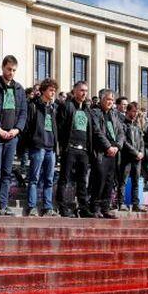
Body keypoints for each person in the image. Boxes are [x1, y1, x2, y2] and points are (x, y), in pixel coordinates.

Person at [0, 55, 26, 216]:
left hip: (12, 137)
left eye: (14, 70)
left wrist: (17, 130)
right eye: (9, 69)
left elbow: (23, 112)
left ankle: (3, 205)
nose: (11, 73)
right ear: (3, 68)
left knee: (7, 172)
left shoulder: (19, 89)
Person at [56, 80, 93, 218]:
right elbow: (60, 127)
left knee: (82, 180)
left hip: (84, 151)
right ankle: (63, 207)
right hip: (70, 149)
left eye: (86, 91)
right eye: (82, 90)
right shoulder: (67, 106)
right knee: (64, 179)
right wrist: (62, 147)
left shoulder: (87, 111)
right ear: (75, 91)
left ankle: (83, 207)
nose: (84, 93)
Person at [22, 78, 59, 217]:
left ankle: (48, 207)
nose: (53, 93)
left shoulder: (54, 107)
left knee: (49, 179)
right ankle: (32, 207)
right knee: (34, 178)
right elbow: (28, 125)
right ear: (43, 90)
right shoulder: (34, 105)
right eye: (50, 90)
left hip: (51, 148)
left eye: (54, 90)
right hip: (38, 146)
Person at [90, 90, 125, 218]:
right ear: (101, 99)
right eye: (108, 99)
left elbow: (121, 132)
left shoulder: (114, 115)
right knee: (99, 180)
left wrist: (117, 146)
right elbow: (97, 131)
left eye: (112, 100)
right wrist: (108, 146)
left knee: (110, 181)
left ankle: (106, 208)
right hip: (101, 152)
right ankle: (95, 208)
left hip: (113, 153)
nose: (110, 102)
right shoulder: (95, 113)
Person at [120, 102, 146, 212]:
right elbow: (124, 142)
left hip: (137, 159)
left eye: (136, 112)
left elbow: (141, 142)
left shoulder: (136, 126)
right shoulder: (123, 124)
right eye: (133, 111)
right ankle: (121, 203)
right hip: (127, 157)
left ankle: (136, 204)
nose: (135, 114)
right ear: (128, 111)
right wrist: (135, 153)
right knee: (123, 181)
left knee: (136, 181)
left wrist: (141, 153)